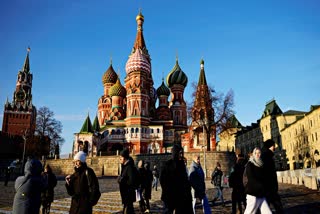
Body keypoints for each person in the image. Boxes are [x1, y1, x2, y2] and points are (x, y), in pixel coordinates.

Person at [160, 144, 193, 214]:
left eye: (182, 153)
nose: (181, 155)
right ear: (175, 153)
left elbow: (184, 181)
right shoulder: (168, 165)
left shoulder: (182, 165)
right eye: (179, 153)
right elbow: (163, 181)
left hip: (182, 197)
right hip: (170, 196)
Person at [243, 147, 272, 214]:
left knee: (267, 212)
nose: (257, 154)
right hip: (253, 193)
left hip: (261, 193)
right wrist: (262, 185)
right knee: (250, 212)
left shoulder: (261, 164)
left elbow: (264, 177)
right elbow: (251, 178)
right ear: (253, 154)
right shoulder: (250, 164)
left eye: (259, 153)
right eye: (256, 153)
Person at [261, 139, 284, 213]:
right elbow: (269, 173)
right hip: (269, 186)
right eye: (273, 145)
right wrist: (273, 186)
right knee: (277, 206)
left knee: (267, 206)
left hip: (267, 186)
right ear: (270, 146)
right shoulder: (267, 157)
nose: (275, 147)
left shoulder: (266, 155)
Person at [118, 148, 140, 214]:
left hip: (128, 195)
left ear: (125, 158)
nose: (120, 159)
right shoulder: (124, 166)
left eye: (121, 158)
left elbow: (131, 181)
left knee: (128, 210)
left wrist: (121, 180)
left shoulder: (129, 167)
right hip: (126, 195)